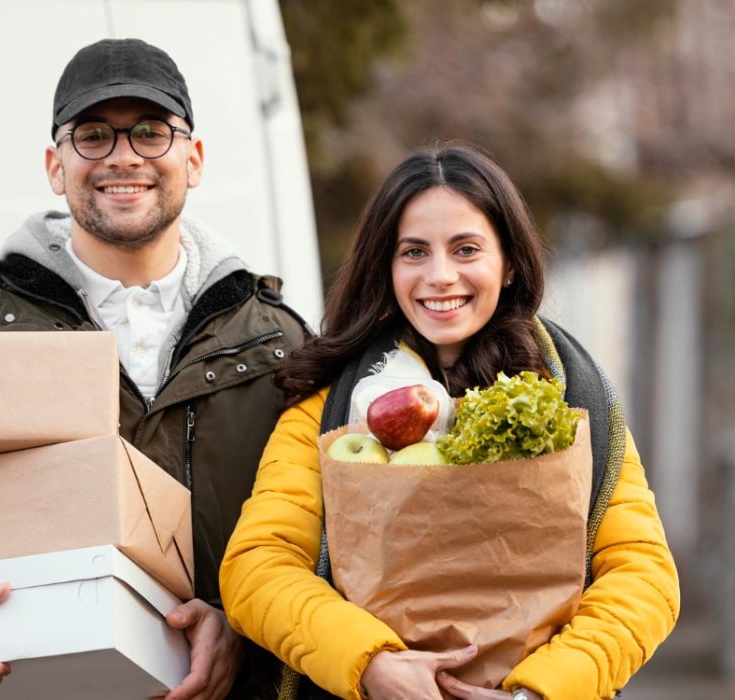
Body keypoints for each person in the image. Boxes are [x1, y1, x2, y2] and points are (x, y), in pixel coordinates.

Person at [0, 38, 306, 700]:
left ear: (194, 159)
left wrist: (246, 628)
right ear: (56, 165)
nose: (123, 156)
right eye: (94, 135)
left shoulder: (278, 341)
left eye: (151, 133)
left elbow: (327, 540)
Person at [219, 144, 680, 700]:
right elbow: (257, 567)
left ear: (508, 263)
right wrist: (372, 664)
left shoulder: (572, 395)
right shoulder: (331, 403)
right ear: (385, 267)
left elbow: (644, 576)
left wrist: (539, 691)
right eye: (414, 252)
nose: (440, 276)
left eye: (465, 249)